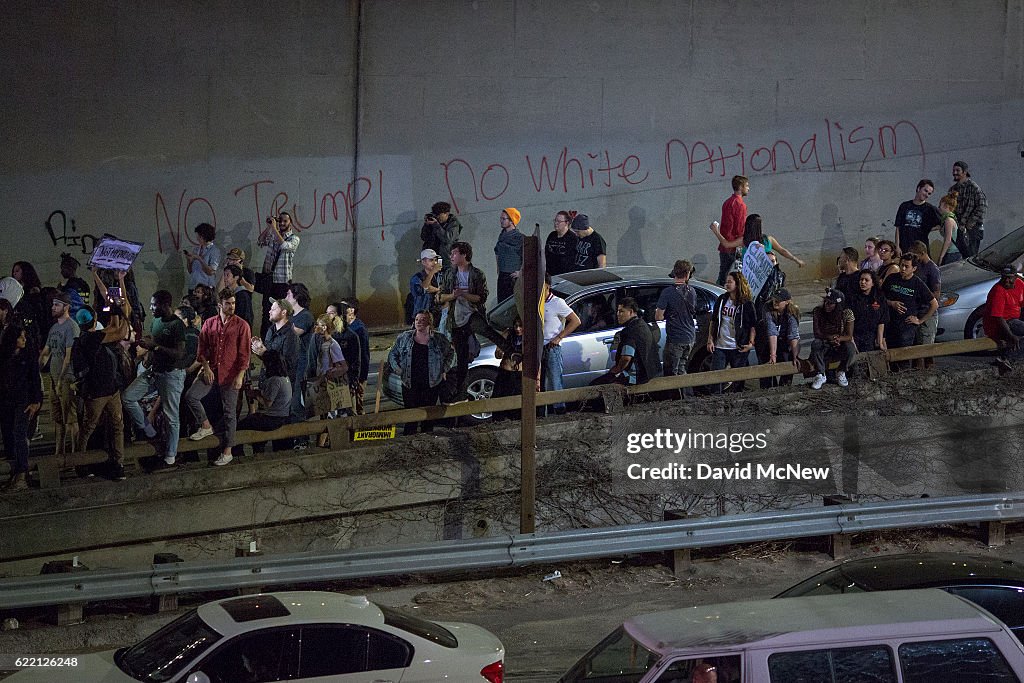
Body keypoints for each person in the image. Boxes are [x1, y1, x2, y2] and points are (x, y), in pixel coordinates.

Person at [186, 288, 251, 466]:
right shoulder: (209, 323)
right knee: (191, 396)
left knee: (230, 413)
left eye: (233, 303)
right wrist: (206, 367)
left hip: (231, 374)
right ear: (219, 305)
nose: (232, 306)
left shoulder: (242, 325)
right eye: (228, 303)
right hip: (213, 370)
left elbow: (244, 354)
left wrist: (240, 375)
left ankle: (227, 451)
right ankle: (206, 425)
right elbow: (202, 349)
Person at [122, 290, 187, 467]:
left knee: (171, 415)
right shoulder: (156, 321)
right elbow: (153, 343)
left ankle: (170, 455)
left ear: (165, 305)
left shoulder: (177, 325)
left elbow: (179, 354)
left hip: (171, 374)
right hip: (154, 371)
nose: (151, 308)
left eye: (154, 304)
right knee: (128, 397)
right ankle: (149, 431)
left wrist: (155, 347)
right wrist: (146, 346)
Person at [436, 241, 505, 392]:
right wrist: (453, 295)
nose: (451, 256)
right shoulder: (449, 274)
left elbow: (481, 297)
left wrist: (464, 295)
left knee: (489, 333)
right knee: (462, 359)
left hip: (472, 314)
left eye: (454, 253)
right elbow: (440, 298)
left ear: (464, 255)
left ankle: (511, 351)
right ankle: (461, 392)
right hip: (455, 320)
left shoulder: (476, 274)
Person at [387, 310, 456, 435]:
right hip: (409, 383)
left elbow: (451, 353)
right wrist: (397, 369)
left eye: (423, 320)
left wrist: (444, 369)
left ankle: (427, 440)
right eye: (417, 319)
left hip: (431, 383)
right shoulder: (405, 337)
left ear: (430, 322)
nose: (419, 322)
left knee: (428, 416)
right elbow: (393, 354)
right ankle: (409, 439)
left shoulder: (439, 339)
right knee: (410, 415)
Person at [0, 325, 42, 491]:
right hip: (6, 400)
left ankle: (22, 473)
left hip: (23, 400)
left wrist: (36, 401)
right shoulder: (4, 356)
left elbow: (35, 379)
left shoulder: (28, 355)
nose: (24, 340)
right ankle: (14, 472)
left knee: (19, 433)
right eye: (20, 337)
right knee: (8, 435)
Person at [39, 291, 80, 456]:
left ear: (66, 307)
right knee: (57, 419)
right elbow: (46, 353)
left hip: (66, 379)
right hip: (54, 378)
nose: (53, 307)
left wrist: (60, 380)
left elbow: (68, 357)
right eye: (53, 304)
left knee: (71, 419)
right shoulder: (54, 327)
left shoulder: (71, 327)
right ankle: (59, 454)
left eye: (57, 304)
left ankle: (75, 456)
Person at [881, 253, 938, 371]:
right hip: (890, 324)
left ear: (914, 269)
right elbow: (880, 298)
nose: (902, 269)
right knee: (889, 356)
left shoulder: (918, 283)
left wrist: (920, 320)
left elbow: (934, 304)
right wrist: (891, 303)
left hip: (906, 328)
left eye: (906, 266)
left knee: (903, 359)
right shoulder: (892, 278)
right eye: (901, 265)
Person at [234, 349, 292, 453]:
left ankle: (240, 455)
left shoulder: (275, 380)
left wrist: (254, 395)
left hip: (273, 419)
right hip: (283, 416)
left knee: (240, 427)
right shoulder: (285, 378)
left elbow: (267, 404)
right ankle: (258, 452)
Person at [707, 271, 756, 394]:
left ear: (737, 283)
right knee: (716, 376)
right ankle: (716, 400)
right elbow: (714, 321)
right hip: (720, 345)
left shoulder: (747, 304)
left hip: (738, 347)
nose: (727, 284)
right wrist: (710, 339)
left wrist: (750, 343)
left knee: (738, 379)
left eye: (730, 282)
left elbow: (753, 326)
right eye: (726, 282)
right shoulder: (722, 299)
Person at [590, 297, 657, 386]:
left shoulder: (630, 330)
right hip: (649, 374)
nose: (618, 314)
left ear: (631, 312)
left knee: (595, 385)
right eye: (617, 311)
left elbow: (626, 358)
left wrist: (616, 370)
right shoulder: (643, 325)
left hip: (635, 378)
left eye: (621, 311)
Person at [541, 274, 581, 414]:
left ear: (548, 286)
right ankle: (543, 411)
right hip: (538, 347)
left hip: (551, 347)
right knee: (541, 382)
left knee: (555, 380)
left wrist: (558, 337)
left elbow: (575, 321)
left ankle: (559, 410)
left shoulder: (557, 302)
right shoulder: (536, 302)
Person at [257, 211, 300, 337]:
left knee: (281, 311)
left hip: (282, 281)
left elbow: (284, 245)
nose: (281, 223)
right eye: (280, 220)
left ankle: (280, 338)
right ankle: (265, 339)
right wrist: (269, 226)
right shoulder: (273, 234)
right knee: (267, 311)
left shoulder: (294, 238)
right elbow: (260, 241)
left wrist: (274, 228)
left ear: (290, 223)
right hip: (269, 280)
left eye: (285, 221)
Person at [656, 260, 698, 388]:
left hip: (676, 339)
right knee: (681, 368)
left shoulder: (667, 293)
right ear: (688, 275)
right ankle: (687, 396)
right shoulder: (692, 291)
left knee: (670, 373)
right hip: (690, 337)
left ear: (674, 273)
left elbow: (658, 317)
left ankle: (675, 399)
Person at [710, 213, 805, 269]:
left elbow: (726, 244)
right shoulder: (768, 240)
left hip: (750, 275)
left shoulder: (744, 240)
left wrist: (716, 231)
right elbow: (782, 250)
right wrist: (796, 260)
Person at [809, 289, 856, 389]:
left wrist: (839, 339)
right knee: (816, 344)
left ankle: (841, 371)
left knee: (850, 348)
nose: (827, 305)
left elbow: (849, 335)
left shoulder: (847, 313)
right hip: (824, 342)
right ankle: (821, 374)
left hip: (839, 343)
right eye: (826, 302)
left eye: (831, 303)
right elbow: (817, 333)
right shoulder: (818, 311)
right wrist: (829, 338)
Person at [285, 283, 315, 440]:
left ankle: (302, 439)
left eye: (288, 295)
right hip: (288, 365)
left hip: (301, 366)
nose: (285, 298)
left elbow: (294, 333)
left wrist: (280, 318)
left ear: (296, 297)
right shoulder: (290, 317)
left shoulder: (305, 316)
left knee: (298, 403)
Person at [755, 288, 800, 389]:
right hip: (767, 340)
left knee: (788, 357)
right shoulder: (767, 306)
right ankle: (766, 387)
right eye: (774, 299)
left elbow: (793, 335)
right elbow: (771, 331)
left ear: (787, 302)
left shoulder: (792, 312)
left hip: (785, 341)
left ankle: (784, 386)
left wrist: (795, 356)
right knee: (766, 359)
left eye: (779, 300)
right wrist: (773, 354)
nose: (775, 302)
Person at [983, 266, 1024, 374]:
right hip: (1000, 324)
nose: (1006, 280)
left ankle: (1006, 358)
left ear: (1015, 277)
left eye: (1009, 277)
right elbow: (998, 318)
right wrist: (1011, 335)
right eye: (1004, 277)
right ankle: (1007, 359)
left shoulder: (1019, 284)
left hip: (1013, 320)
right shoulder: (998, 291)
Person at [907, 241, 941, 368]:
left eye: (915, 255)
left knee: (926, 350)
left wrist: (923, 299)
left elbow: (936, 294)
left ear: (922, 253)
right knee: (918, 347)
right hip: (918, 311)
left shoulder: (932, 269)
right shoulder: (920, 266)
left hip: (927, 313)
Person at [712, 175, 749, 286]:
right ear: (741, 186)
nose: (748, 188)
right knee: (736, 277)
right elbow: (740, 227)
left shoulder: (728, 202)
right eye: (746, 185)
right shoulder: (740, 204)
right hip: (734, 246)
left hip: (725, 246)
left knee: (723, 275)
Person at [893, 179, 941, 257]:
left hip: (920, 249)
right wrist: (897, 246)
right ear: (918, 188)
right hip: (905, 247)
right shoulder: (904, 206)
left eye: (929, 193)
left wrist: (927, 229)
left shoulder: (930, 208)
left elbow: (941, 224)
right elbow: (898, 227)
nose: (927, 195)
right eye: (925, 191)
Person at [949, 160, 987, 257]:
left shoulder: (974, 187)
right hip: (958, 229)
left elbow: (982, 206)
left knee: (970, 257)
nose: (954, 173)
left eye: (957, 170)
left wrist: (971, 222)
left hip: (972, 230)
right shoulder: (953, 189)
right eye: (953, 170)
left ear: (965, 172)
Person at [340, 300, 370, 415]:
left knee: (357, 406)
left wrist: (362, 377)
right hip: (348, 375)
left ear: (351, 310)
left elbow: (363, 354)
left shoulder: (358, 329)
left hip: (356, 375)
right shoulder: (346, 328)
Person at [849, 269, 888, 354]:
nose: (863, 282)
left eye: (866, 280)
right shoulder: (853, 298)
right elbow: (848, 321)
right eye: (861, 279)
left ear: (873, 283)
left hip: (871, 337)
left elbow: (882, 320)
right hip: (856, 336)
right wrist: (851, 340)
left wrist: (880, 341)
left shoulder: (879, 298)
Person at [494, 207, 524, 303]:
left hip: (512, 277)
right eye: (500, 218)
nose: (501, 221)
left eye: (504, 219)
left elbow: (527, 257)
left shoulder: (519, 238)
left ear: (511, 221)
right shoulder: (502, 235)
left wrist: (521, 272)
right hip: (503, 275)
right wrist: (498, 267)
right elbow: (497, 251)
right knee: (501, 303)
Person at [183, 222, 222, 291]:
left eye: (199, 236)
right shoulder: (196, 249)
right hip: (193, 286)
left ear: (204, 236)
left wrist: (199, 258)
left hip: (206, 288)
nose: (197, 238)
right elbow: (190, 270)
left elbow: (211, 272)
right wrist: (188, 260)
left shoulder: (214, 251)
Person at [409, 249, 442, 325]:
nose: (434, 263)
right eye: (431, 260)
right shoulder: (416, 278)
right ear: (423, 262)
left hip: (436, 315)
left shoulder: (439, 277)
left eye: (435, 260)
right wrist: (437, 289)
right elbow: (425, 288)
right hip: (422, 316)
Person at [545, 210, 579, 277]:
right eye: (555, 220)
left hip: (564, 276)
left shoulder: (573, 238)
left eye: (559, 221)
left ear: (566, 223)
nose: (556, 223)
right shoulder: (552, 235)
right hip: (549, 275)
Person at [222, 264, 254, 329]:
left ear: (236, 277)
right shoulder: (228, 293)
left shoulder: (242, 295)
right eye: (224, 275)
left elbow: (244, 318)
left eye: (228, 275)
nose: (225, 278)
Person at [935, 191, 962, 265]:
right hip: (952, 252)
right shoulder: (948, 218)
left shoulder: (948, 220)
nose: (939, 207)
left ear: (945, 205)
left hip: (952, 253)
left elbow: (948, 240)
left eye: (940, 205)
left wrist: (941, 257)